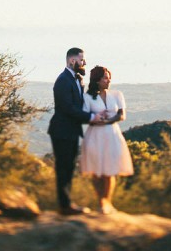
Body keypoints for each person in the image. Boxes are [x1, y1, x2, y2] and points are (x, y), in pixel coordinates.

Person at [48, 47, 108, 215]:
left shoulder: (78, 80)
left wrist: (96, 112)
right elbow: (67, 109)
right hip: (61, 131)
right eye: (82, 60)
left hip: (72, 131)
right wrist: (90, 118)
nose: (85, 63)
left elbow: (79, 106)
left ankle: (66, 204)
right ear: (72, 61)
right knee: (64, 167)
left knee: (68, 167)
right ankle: (64, 206)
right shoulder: (62, 81)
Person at [81, 65, 134, 214]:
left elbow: (122, 115)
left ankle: (107, 202)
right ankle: (100, 202)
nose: (108, 80)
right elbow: (85, 117)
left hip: (112, 134)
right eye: (105, 77)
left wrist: (107, 121)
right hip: (95, 135)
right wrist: (96, 118)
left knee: (110, 170)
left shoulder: (117, 94)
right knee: (97, 171)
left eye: (109, 77)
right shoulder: (87, 97)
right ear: (97, 80)